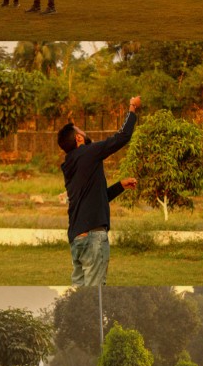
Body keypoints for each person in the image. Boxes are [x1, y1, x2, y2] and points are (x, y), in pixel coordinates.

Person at [58, 97, 141, 285]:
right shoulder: (89, 152)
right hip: (93, 237)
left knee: (80, 299)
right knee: (95, 296)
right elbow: (122, 137)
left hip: (77, 239)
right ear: (79, 138)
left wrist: (120, 186)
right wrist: (132, 107)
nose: (84, 133)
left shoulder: (69, 165)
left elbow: (95, 198)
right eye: (81, 131)